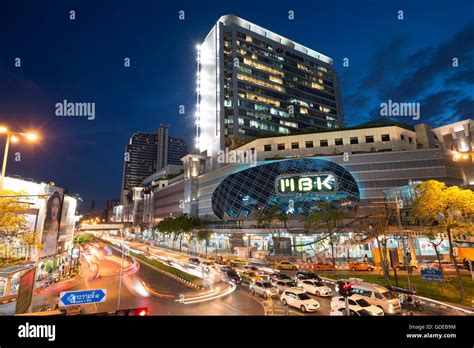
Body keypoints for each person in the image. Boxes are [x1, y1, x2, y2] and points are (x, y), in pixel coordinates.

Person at [41, 192, 62, 257]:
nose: (54, 210)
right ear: (49, 207)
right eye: (53, 205)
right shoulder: (44, 224)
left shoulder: (60, 226)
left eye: (57, 206)